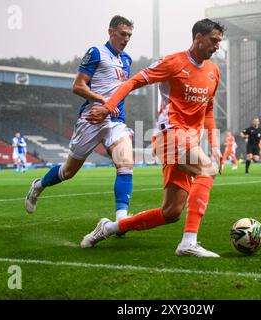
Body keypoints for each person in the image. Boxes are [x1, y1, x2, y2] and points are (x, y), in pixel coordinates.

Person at [81, 18, 225, 258]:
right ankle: (188, 242)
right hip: (169, 136)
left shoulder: (213, 71)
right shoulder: (173, 62)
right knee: (207, 170)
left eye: (220, 41)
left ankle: (108, 228)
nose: (217, 46)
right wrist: (108, 106)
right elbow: (132, 82)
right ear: (198, 38)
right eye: (213, 40)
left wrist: (216, 146)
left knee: (170, 213)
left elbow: (208, 111)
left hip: (189, 141)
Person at [25, 16, 135, 229]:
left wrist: (112, 107)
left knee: (125, 165)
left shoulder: (127, 60)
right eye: (123, 34)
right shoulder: (96, 52)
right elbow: (77, 86)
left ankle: (121, 222)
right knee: (68, 172)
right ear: (111, 31)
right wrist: (104, 101)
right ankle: (38, 186)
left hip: (115, 121)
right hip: (91, 118)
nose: (126, 39)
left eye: (129, 35)